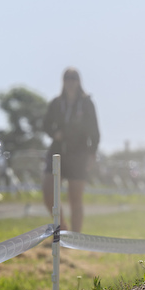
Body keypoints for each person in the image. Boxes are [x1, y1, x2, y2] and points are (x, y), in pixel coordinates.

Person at [42, 67, 100, 233]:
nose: (70, 82)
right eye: (67, 78)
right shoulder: (56, 102)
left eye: (73, 78)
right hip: (57, 151)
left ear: (79, 81)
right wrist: (55, 133)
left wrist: (92, 153)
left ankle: (76, 238)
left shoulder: (87, 103)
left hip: (78, 154)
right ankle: (62, 228)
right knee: (48, 193)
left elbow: (94, 130)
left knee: (75, 198)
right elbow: (45, 125)